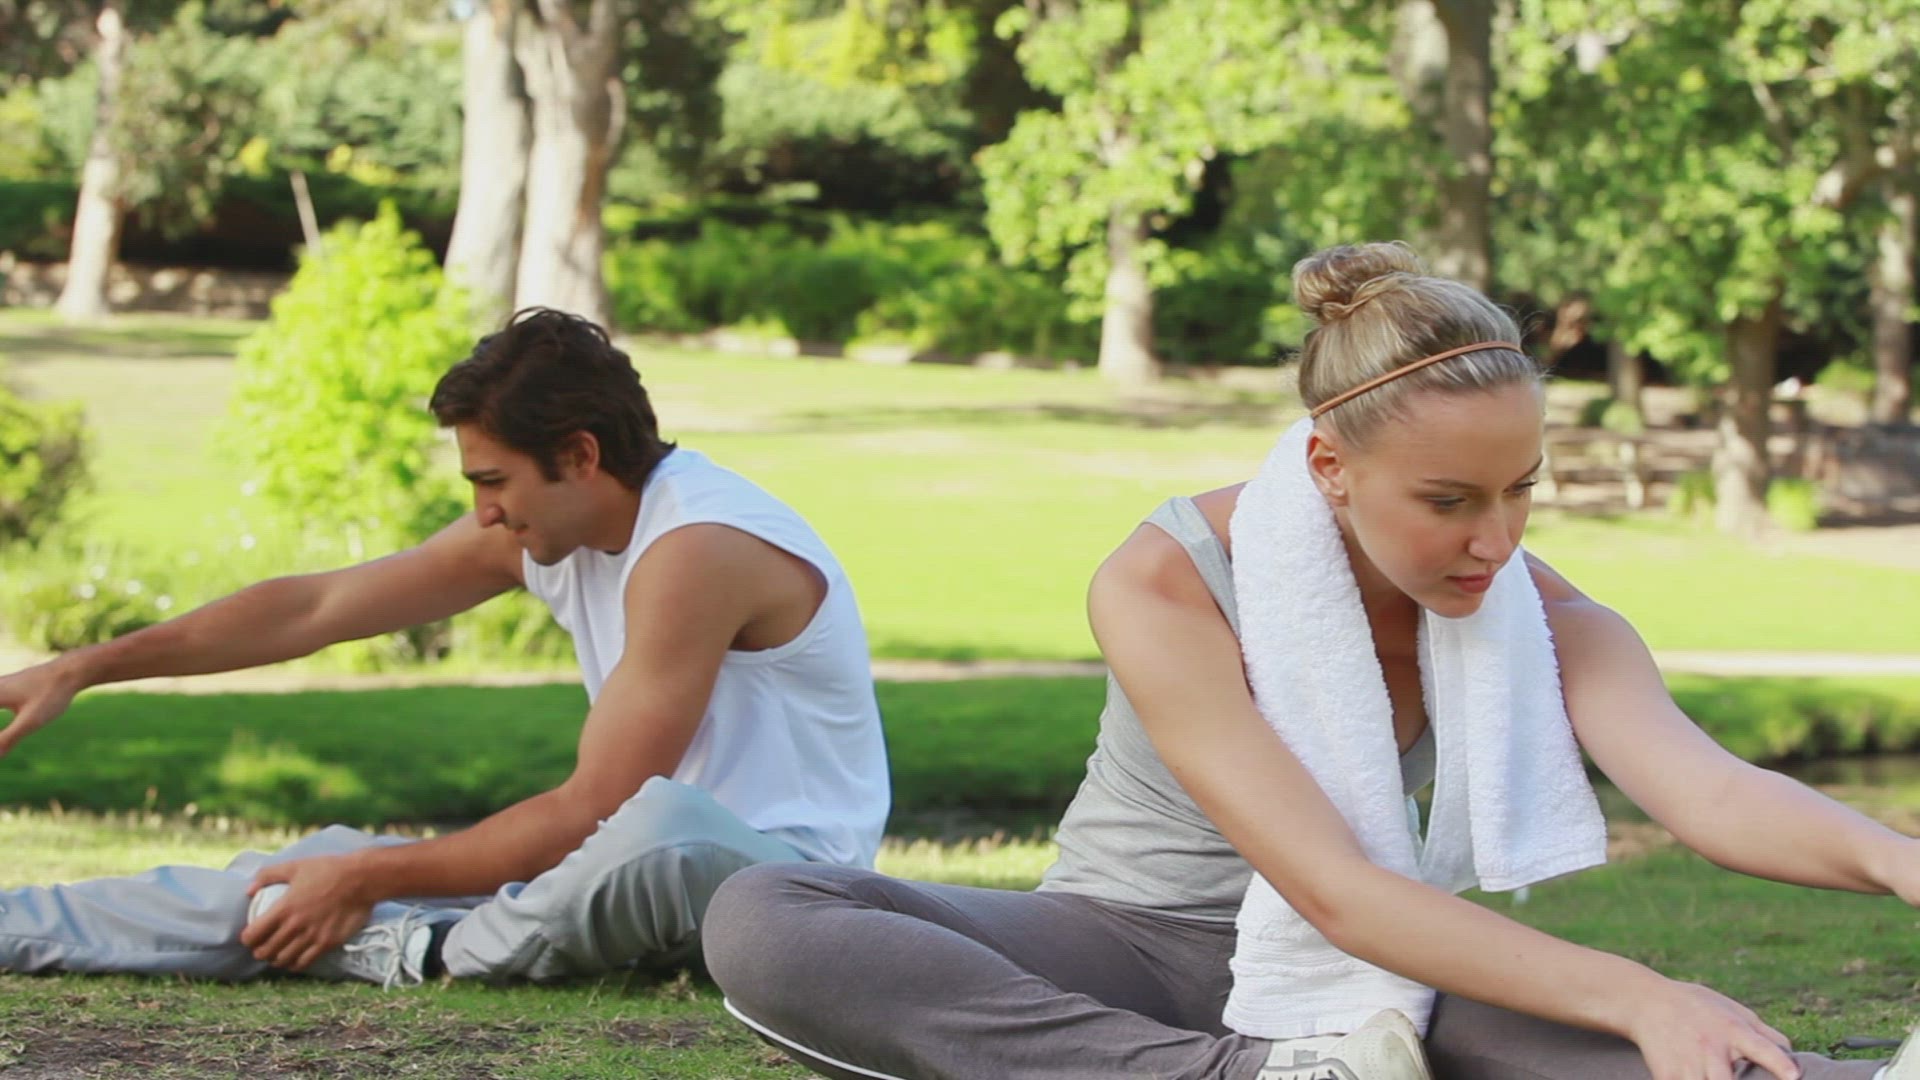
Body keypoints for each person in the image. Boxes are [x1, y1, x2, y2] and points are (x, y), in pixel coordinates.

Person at [702, 243, 1920, 1080]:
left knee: (1680, 1051)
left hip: (1383, 984)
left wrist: (1900, 860)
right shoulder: (1167, 580)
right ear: (1330, 467)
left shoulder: (1544, 614)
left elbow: (1711, 794)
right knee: (770, 915)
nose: (1495, 541)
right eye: (1449, 500)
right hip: (1124, 949)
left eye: (1520, 490)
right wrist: (1638, 990)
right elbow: (1331, 886)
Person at [0, 307, 890, 988]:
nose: (484, 512)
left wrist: (371, 878)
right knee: (305, 873)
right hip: (605, 876)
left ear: (581, 456)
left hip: (782, 893)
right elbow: (314, 608)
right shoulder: (547, 529)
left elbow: (593, 810)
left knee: (661, 828)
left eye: (494, 480)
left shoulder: (699, 546)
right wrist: (83, 667)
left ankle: (423, 949)